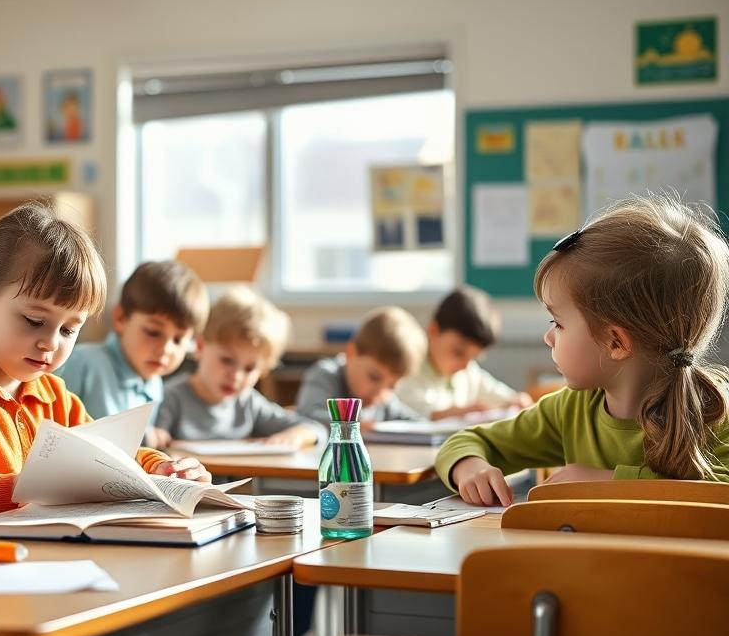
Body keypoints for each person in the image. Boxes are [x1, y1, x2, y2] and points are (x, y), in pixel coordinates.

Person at [0, 202, 211, 518]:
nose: (50, 342)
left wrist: (162, 467)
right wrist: (22, 490)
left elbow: (108, 461)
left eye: (70, 330)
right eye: (33, 321)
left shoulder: (54, 397)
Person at [437, 195, 729, 506]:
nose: (548, 337)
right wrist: (470, 467)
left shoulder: (714, 412)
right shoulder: (570, 410)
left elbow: (719, 498)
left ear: (616, 342)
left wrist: (612, 483)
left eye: (558, 323)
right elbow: (466, 442)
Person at [151, 287, 325, 448]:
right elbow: (148, 439)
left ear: (263, 371)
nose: (236, 376)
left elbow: (315, 429)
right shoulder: (170, 398)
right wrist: (156, 435)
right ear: (200, 346)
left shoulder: (248, 403)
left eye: (249, 369)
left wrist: (295, 436)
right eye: (227, 360)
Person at [55, 260, 208, 426]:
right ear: (121, 318)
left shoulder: (154, 385)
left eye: (178, 339)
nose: (166, 349)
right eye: (153, 332)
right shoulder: (83, 363)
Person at [396, 287, 533, 420]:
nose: (464, 365)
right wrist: (464, 413)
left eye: (473, 358)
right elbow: (414, 413)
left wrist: (516, 401)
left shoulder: (468, 372)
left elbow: (503, 397)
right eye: (458, 353)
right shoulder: (407, 368)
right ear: (433, 330)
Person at [296, 307, 426, 423]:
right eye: (374, 377)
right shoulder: (325, 376)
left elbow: (417, 423)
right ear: (351, 353)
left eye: (391, 386)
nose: (379, 392)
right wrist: (355, 427)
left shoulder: (384, 401)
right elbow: (308, 417)